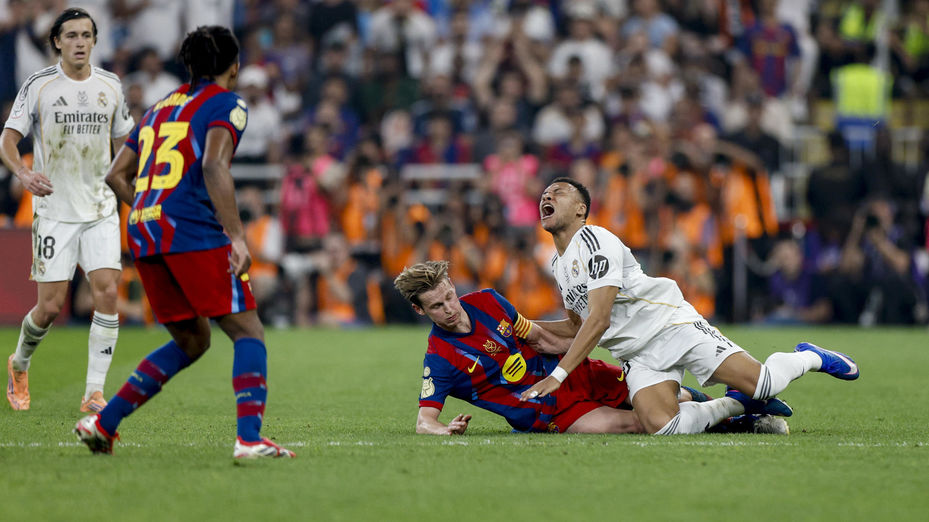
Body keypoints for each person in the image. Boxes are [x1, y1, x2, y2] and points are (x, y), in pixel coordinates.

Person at [74, 26, 294, 459]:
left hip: (144, 229)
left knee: (193, 339)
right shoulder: (227, 103)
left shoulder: (159, 108)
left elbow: (115, 175)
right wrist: (236, 236)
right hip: (190, 228)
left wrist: (152, 207)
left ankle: (103, 423)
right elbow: (214, 165)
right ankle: (249, 439)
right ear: (234, 67)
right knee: (247, 328)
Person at [521, 178, 859, 434]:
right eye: (544, 195)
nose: (546, 197)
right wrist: (522, 325)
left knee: (764, 383)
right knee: (662, 427)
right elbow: (577, 328)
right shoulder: (559, 265)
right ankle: (735, 405)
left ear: (581, 209)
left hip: (670, 326)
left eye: (558, 192)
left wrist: (557, 376)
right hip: (637, 355)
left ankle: (810, 356)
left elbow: (600, 319)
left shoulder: (596, 241)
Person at [394, 261, 787, 435]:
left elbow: (540, 338)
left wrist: (597, 338)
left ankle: (747, 399)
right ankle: (742, 417)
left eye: (449, 296)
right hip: (549, 411)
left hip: (573, 372)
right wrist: (445, 430)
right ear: (420, 310)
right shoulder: (440, 360)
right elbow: (423, 421)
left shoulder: (487, 301)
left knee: (668, 396)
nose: (450, 308)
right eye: (437, 305)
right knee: (641, 423)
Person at [2, 8, 134, 413]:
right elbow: (7, 139)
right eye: (72, 35)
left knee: (108, 291)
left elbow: (127, 143)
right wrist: (23, 174)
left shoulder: (111, 85)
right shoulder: (39, 85)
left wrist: (134, 185)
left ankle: (94, 391)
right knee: (51, 307)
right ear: (57, 41)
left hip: (99, 206)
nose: (80, 42)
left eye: (86, 35)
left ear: (95, 41)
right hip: (55, 209)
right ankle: (19, 362)